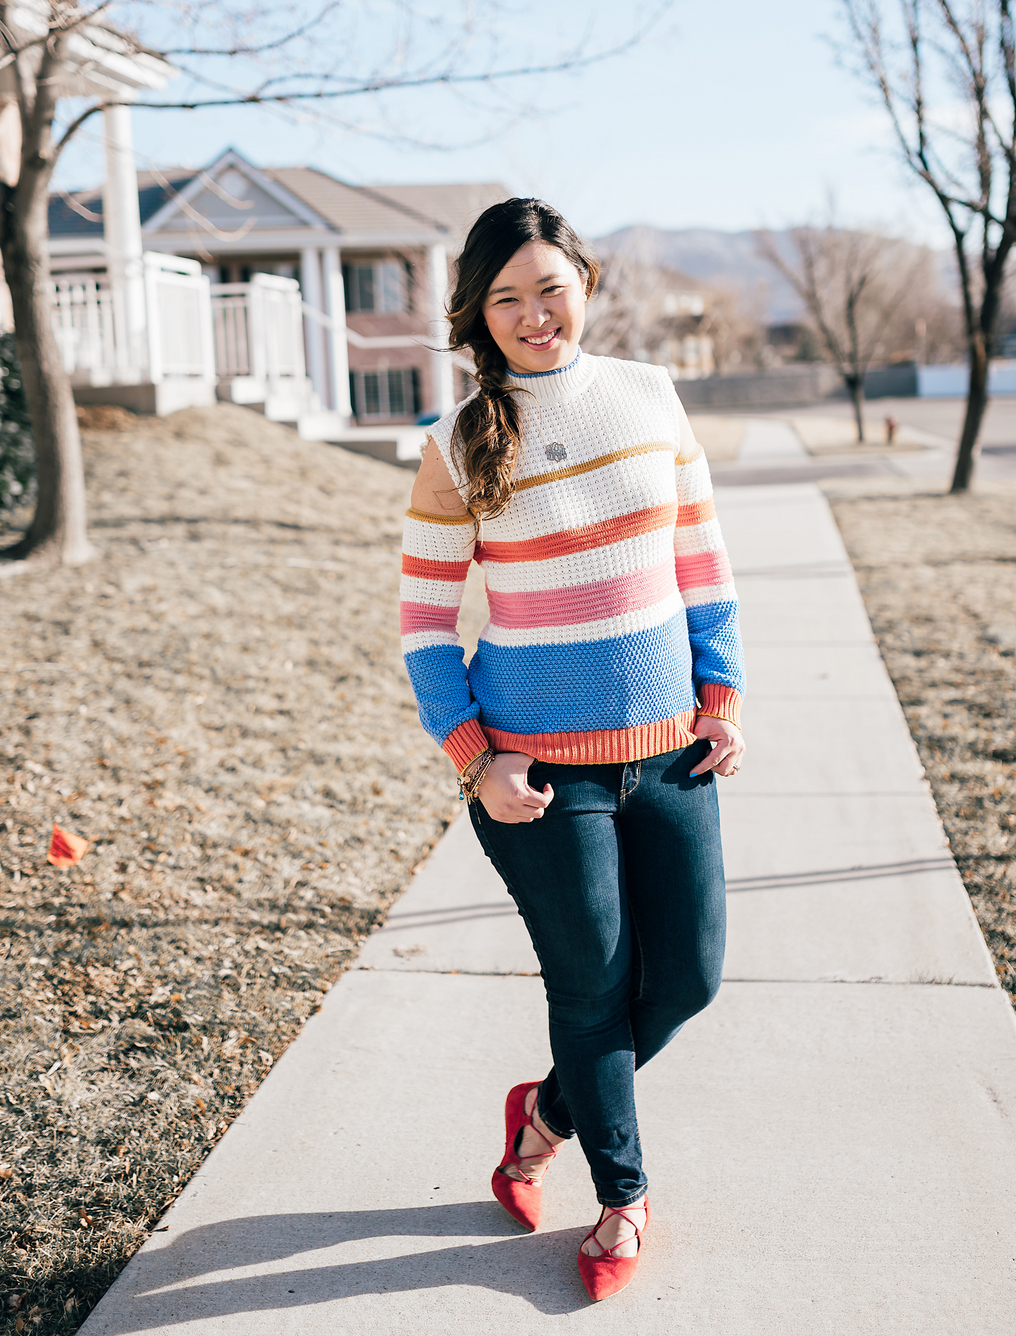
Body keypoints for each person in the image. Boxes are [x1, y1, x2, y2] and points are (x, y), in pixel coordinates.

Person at [399, 197, 745, 1303]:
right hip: (541, 774)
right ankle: (623, 1198)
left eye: (549, 286)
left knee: (687, 975)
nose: (533, 313)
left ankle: (543, 1113)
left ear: (584, 282)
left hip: (674, 751)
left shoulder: (648, 394)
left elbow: (700, 553)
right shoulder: (456, 443)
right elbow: (422, 624)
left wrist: (723, 689)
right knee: (593, 990)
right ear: (480, 314)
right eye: (507, 298)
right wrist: (473, 757)